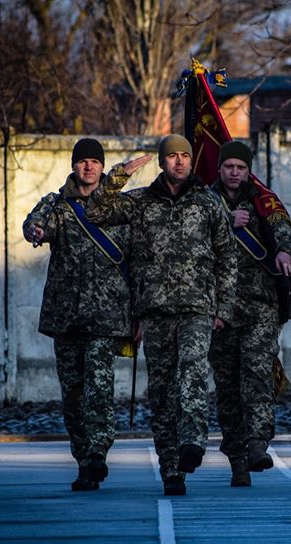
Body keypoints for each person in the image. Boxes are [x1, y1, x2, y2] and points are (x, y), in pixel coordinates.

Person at [87, 134, 237, 496]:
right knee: (163, 392)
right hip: (154, 311)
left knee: (193, 374)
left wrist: (224, 307)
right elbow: (96, 212)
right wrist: (118, 176)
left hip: (197, 308)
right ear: (162, 162)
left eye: (186, 156)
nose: (180, 162)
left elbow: (227, 256)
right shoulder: (140, 203)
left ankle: (193, 443)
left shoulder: (208, 202)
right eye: (173, 157)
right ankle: (172, 468)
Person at [23, 138, 148, 491]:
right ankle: (83, 460)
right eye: (83, 162)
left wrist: (137, 314)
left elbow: (137, 261)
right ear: (74, 165)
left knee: (98, 387)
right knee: (73, 395)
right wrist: (35, 231)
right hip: (67, 316)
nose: (88, 167)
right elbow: (36, 224)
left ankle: (98, 452)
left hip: (107, 317)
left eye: (95, 161)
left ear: (103, 167)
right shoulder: (57, 204)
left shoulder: (119, 208)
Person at [208, 141, 291, 487]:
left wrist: (285, 252)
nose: (234, 172)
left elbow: (283, 229)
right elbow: (189, 239)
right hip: (220, 307)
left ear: (248, 171)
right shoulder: (204, 202)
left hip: (260, 304)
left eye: (240, 167)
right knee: (228, 385)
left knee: (258, 374)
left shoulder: (264, 200)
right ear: (219, 169)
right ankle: (236, 458)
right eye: (228, 166)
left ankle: (258, 444)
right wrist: (225, 222)